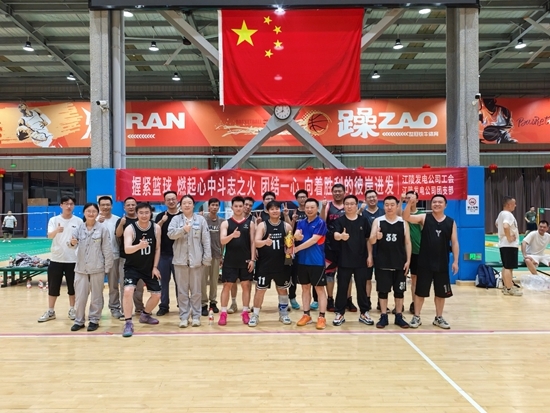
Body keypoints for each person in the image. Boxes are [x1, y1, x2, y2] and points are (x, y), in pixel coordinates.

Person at [403, 194, 460, 329]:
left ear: (445, 205)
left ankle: (438, 318)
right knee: (420, 292)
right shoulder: (424, 218)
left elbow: (454, 242)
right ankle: (416, 317)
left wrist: (455, 261)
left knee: (441, 293)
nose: (437, 204)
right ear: (431, 204)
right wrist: (409, 203)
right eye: (434, 202)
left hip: (442, 263)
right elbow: (406, 217)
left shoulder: (451, 222)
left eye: (440, 202)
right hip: (425, 263)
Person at [168, 195, 211, 328]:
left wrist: (206, 258)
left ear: (193, 205)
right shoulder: (176, 219)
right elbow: (170, 234)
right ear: (181, 206)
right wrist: (183, 230)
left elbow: (206, 240)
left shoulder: (201, 220)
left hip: (196, 261)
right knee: (182, 292)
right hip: (180, 261)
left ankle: (196, 316)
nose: (187, 205)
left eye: (189, 203)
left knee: (196, 291)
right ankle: (184, 317)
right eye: (184, 203)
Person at [69, 202, 114, 332]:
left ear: (97, 213)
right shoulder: (78, 228)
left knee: (96, 296)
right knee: (80, 296)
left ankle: (94, 320)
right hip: (81, 268)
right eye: (88, 211)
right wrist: (72, 243)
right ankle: (79, 321)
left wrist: (107, 267)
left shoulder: (102, 229)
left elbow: (107, 249)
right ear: (84, 213)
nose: (91, 213)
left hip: (97, 268)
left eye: (94, 211)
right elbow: (71, 244)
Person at [38, 195, 83, 323]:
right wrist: (57, 230)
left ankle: (72, 309)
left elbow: (81, 239)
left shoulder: (79, 221)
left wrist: (75, 242)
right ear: (61, 205)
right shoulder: (54, 220)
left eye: (71, 204)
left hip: (73, 260)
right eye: (66, 204)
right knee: (53, 287)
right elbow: (49, 236)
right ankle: (51, 311)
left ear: (74, 206)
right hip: (56, 259)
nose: (69, 206)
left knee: (72, 287)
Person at [249, 201, 293, 327]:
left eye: (277, 208)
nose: (275, 211)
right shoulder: (262, 225)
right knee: (260, 291)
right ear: (267, 211)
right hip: (265, 265)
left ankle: (283, 314)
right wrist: (265, 242)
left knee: (282, 290)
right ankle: (255, 315)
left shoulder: (286, 226)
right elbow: (256, 242)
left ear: (280, 210)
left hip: (282, 265)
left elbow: (290, 245)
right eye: (272, 209)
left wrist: (290, 251)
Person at [369, 196, 411, 329]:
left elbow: (407, 242)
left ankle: (399, 316)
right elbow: (371, 240)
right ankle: (383, 316)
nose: (389, 207)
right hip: (382, 262)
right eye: (386, 204)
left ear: (397, 206)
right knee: (383, 291)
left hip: (399, 262)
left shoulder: (403, 222)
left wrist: (408, 260)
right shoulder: (378, 221)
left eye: (392, 204)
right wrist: (376, 236)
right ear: (384, 206)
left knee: (399, 291)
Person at [121, 202, 162, 337]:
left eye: (147, 213)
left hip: (149, 267)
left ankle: (145, 315)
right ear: (137, 214)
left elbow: (157, 248)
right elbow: (127, 249)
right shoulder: (130, 228)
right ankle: (128, 322)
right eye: (141, 213)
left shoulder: (156, 228)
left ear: (151, 213)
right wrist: (139, 246)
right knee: (128, 291)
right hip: (132, 267)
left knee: (157, 295)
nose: (144, 215)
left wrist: (155, 267)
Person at [332, 195, 373, 326]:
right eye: (347, 204)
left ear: (356, 205)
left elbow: (368, 239)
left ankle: (364, 312)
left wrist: (370, 256)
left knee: (362, 287)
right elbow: (335, 235)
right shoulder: (339, 221)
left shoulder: (364, 221)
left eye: (352, 204)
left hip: (361, 260)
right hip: (344, 260)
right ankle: (339, 313)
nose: (349, 206)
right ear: (344, 206)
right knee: (342, 287)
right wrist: (340, 236)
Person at [218, 196, 255, 326]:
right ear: (232, 207)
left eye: (241, 206)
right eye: (236, 206)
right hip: (230, 260)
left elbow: (252, 242)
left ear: (244, 207)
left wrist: (252, 259)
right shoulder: (226, 223)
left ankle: (245, 312)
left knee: (246, 286)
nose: (238, 208)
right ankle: (223, 313)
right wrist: (232, 235)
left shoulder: (250, 223)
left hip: (245, 260)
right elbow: (222, 240)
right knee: (227, 286)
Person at [294, 198, 328, 330]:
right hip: (302, 261)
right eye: (307, 207)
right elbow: (297, 235)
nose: (309, 209)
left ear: (317, 209)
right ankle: (306, 315)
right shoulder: (300, 222)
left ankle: (322, 317)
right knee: (305, 288)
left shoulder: (321, 223)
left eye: (312, 207)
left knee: (319, 289)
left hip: (317, 261)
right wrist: (296, 237)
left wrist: (297, 248)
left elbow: (314, 240)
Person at [320, 183, 349, 313]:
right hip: (330, 245)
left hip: (346, 246)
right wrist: (323, 207)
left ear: (344, 192)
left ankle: (348, 299)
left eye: (339, 191)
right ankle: (330, 298)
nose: (337, 193)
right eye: (335, 191)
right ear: (332, 193)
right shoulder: (328, 206)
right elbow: (321, 221)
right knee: (330, 274)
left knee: (346, 275)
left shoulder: (348, 206)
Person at [115, 197, 145, 313]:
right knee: (125, 285)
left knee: (139, 286)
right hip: (125, 258)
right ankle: (124, 310)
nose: (131, 207)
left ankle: (139, 307)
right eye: (128, 205)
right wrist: (121, 224)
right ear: (124, 207)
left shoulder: (142, 220)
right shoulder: (121, 220)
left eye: (133, 204)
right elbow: (118, 235)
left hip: (141, 258)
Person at [154, 190, 181, 316]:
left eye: (173, 199)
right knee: (163, 282)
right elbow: (154, 231)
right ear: (164, 202)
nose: (171, 201)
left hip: (179, 255)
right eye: (168, 199)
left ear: (177, 200)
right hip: (163, 255)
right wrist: (162, 221)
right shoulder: (160, 216)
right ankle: (164, 305)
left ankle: (182, 305)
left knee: (180, 282)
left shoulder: (182, 216)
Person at [97, 196, 123, 320]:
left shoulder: (117, 220)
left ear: (111, 206)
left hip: (114, 257)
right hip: (97, 259)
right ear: (99, 206)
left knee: (113, 286)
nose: (105, 207)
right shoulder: (94, 220)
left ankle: (114, 308)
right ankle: (97, 310)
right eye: (103, 205)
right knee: (97, 287)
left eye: (108, 204)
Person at [284, 189, 308, 310]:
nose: (302, 199)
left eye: (304, 197)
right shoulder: (293, 212)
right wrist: (292, 219)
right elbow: (289, 231)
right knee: (292, 273)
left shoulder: (312, 212)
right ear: (297, 199)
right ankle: (292, 297)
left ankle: (315, 299)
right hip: (293, 248)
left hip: (308, 247)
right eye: (300, 197)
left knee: (310, 273)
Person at [362, 189, 385, 312]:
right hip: (367, 250)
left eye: (373, 197)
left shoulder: (383, 212)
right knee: (367, 278)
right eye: (369, 197)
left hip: (382, 251)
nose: (372, 199)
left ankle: (381, 302)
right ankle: (367, 301)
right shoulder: (362, 214)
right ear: (365, 200)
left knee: (381, 278)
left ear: (377, 198)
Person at [495, 196, 522, 296]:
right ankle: (510, 288)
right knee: (509, 267)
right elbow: (506, 226)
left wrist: (503, 234)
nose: (515, 206)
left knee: (506, 266)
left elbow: (497, 224)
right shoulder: (508, 214)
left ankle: (506, 287)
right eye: (514, 204)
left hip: (503, 244)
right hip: (509, 244)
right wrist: (509, 237)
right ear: (508, 205)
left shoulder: (501, 214)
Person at [401, 191, 422, 315]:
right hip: (402, 252)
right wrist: (402, 201)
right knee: (400, 279)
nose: (410, 200)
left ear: (417, 200)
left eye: (412, 198)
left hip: (417, 252)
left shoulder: (421, 215)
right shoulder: (403, 213)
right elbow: (402, 216)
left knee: (415, 279)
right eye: (407, 198)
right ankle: (400, 304)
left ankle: (415, 303)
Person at [203, 198, 224, 316]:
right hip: (204, 256)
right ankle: (203, 303)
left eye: (216, 205)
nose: (214, 207)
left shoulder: (222, 222)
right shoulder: (203, 220)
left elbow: (223, 241)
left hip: (216, 255)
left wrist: (222, 255)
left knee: (214, 281)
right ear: (209, 207)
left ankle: (213, 302)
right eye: (212, 205)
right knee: (203, 281)